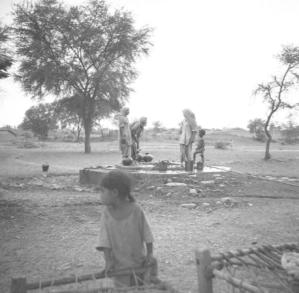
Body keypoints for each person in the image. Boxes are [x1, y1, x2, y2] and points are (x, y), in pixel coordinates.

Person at [97, 170, 157, 287]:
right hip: (119, 267)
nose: (100, 195)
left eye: (102, 191)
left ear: (114, 192)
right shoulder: (106, 214)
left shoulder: (136, 210)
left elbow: (147, 234)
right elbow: (105, 241)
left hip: (139, 264)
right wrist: (108, 261)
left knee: (138, 288)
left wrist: (150, 254)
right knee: (122, 289)